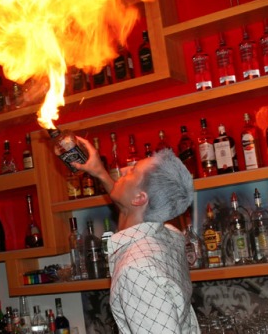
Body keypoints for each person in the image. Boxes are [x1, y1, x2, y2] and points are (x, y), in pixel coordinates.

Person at [72, 136, 200, 334]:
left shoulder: (136, 271)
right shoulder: (171, 236)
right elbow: (131, 209)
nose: (123, 170)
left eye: (132, 171)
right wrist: (100, 172)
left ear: (140, 198)